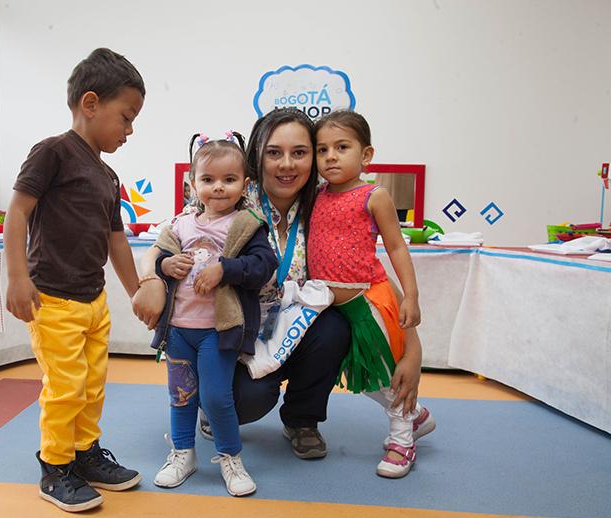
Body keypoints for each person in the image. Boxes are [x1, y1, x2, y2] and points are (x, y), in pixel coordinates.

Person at [136, 108, 390, 460]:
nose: (287, 164)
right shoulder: (235, 194)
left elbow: (368, 268)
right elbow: (164, 242)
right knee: (245, 402)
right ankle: (212, 404)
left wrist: (410, 338)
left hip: (296, 326)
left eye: (299, 153)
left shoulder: (325, 202)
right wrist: (150, 277)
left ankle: (302, 420)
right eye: (274, 153)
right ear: (257, 154)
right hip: (236, 331)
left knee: (334, 327)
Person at [4, 48, 144, 513]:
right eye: (125, 117)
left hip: (93, 300)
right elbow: (17, 213)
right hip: (53, 299)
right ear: (90, 104)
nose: (129, 130)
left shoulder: (108, 176)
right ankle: (55, 467)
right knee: (65, 386)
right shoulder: (53, 153)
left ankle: (85, 455)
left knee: (92, 384)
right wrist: (18, 276)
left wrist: (137, 292)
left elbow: (116, 241)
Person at [149, 132, 278, 496]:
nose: (218, 188)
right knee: (181, 395)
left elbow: (264, 265)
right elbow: (158, 260)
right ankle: (182, 454)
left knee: (217, 397)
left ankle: (230, 456)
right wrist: (165, 264)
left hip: (217, 330)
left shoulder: (247, 224)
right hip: (178, 329)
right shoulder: (180, 225)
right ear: (192, 184)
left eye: (229, 179)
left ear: (245, 184)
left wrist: (226, 269)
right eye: (208, 179)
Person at [310, 109, 435, 478]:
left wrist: (410, 296)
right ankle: (415, 415)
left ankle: (402, 440)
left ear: (366, 155)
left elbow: (397, 248)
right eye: (322, 149)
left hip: (369, 300)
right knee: (365, 377)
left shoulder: (374, 196)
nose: (330, 156)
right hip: (334, 310)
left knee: (385, 372)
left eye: (342, 147)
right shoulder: (316, 196)